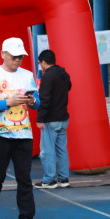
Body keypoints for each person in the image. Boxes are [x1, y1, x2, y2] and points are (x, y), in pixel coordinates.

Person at [0, 37, 40, 219]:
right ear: (3, 54)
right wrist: (9, 102)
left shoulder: (27, 75)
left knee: (24, 178)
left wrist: (32, 101)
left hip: (24, 134)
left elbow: (37, 102)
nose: (17, 60)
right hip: (0, 134)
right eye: (14, 56)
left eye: (20, 57)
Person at [35, 49, 72, 189]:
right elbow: (69, 87)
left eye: (40, 63)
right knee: (62, 149)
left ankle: (49, 180)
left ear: (44, 62)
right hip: (63, 117)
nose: (40, 66)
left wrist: (40, 118)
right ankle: (64, 178)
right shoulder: (64, 74)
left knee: (47, 151)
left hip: (51, 119)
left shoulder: (48, 77)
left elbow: (45, 99)